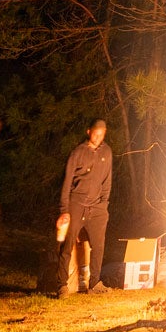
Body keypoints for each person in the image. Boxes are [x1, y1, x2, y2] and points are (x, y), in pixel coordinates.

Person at [57, 117, 114, 296]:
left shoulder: (107, 152)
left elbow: (108, 181)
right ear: (88, 132)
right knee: (67, 244)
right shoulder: (78, 153)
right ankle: (62, 285)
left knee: (98, 245)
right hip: (76, 203)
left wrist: (104, 203)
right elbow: (67, 183)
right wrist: (64, 210)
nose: (99, 137)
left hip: (97, 207)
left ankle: (95, 283)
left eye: (102, 134)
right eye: (96, 134)